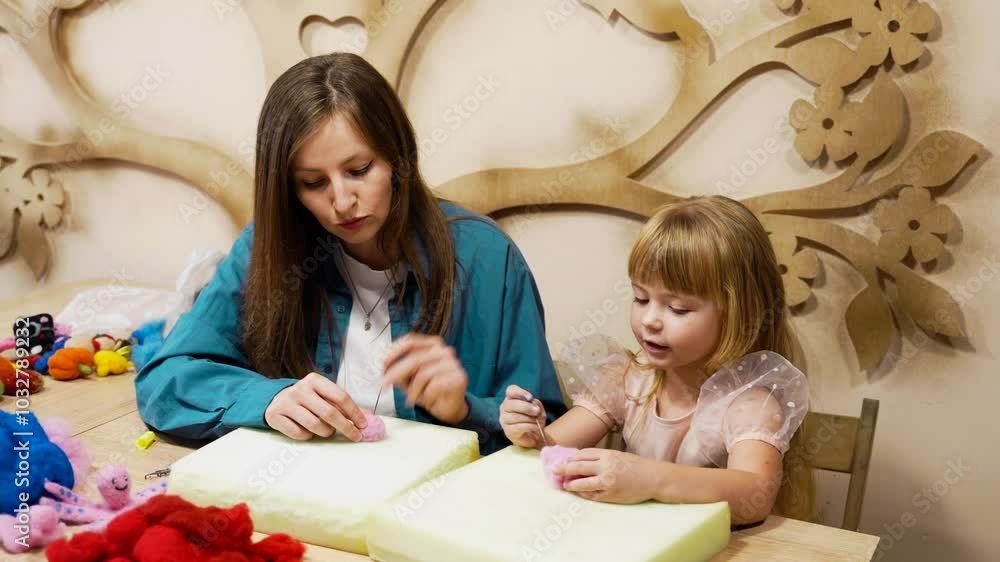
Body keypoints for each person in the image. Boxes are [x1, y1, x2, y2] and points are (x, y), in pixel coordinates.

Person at [136, 52, 565, 455]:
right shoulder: (268, 251)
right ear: (288, 189)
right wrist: (268, 399)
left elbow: (549, 431)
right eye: (313, 182)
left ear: (398, 157)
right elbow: (164, 381)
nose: (342, 201)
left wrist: (465, 410)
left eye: (359, 171)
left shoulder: (487, 259)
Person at [500, 196, 815, 524]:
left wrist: (650, 479)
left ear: (740, 313)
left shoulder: (748, 405)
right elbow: (552, 449)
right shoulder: (627, 381)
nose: (650, 319)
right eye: (641, 298)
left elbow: (755, 494)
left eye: (677, 308)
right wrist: (532, 435)